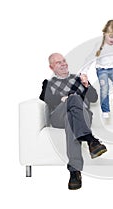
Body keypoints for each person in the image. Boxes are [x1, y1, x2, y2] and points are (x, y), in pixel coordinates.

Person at [39, 53, 107, 190]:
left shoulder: (79, 79)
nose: (63, 63)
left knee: (71, 118)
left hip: (82, 115)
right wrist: (62, 100)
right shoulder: (48, 83)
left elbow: (93, 98)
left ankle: (74, 172)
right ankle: (90, 140)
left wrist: (87, 85)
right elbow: (45, 99)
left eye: (64, 61)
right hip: (58, 116)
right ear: (51, 67)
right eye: (58, 62)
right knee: (74, 98)